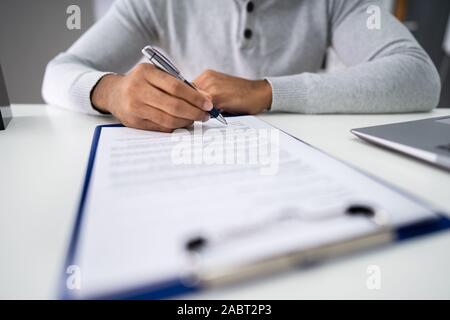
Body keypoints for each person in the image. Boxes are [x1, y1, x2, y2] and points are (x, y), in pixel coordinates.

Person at [42, 0, 441, 132]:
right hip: (185, 162)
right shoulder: (156, 3)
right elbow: (59, 72)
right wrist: (110, 91)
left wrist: (266, 91)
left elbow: (418, 75)